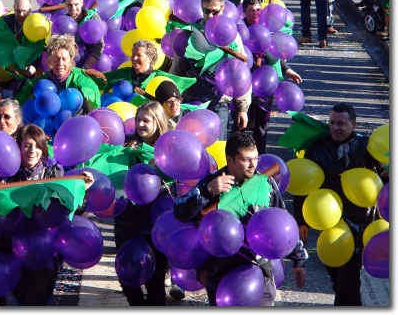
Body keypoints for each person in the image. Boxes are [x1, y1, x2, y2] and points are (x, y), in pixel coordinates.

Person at [174, 132, 307, 306]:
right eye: (246, 160)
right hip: (221, 270)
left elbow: (282, 222)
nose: (253, 165)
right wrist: (207, 192)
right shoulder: (213, 183)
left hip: (259, 269)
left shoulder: (265, 183)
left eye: (255, 158)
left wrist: (299, 259)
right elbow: (180, 213)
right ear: (230, 160)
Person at [292, 103, 388, 306]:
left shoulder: (367, 147)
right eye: (332, 123)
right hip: (329, 222)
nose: (335, 128)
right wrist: (301, 221)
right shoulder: (317, 150)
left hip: (361, 222)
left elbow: (384, 184)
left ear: (353, 124)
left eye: (341, 124)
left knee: (349, 278)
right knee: (337, 276)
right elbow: (304, 186)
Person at [0, 124, 94, 306]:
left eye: (37, 146)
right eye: (27, 145)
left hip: (43, 255)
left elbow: (71, 210)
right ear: (18, 147)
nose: (32, 151)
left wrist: (82, 190)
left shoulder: (54, 174)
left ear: (43, 149)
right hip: (10, 255)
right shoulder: (6, 176)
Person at [169, 0, 252, 141]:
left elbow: (240, 75)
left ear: (223, 9)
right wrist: (171, 98)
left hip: (218, 103)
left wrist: (242, 108)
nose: (210, 16)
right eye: (206, 11)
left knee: (216, 149)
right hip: (191, 100)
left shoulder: (232, 35)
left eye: (215, 11)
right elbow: (176, 70)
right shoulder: (190, 34)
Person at [115, 101, 170, 306]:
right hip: (127, 222)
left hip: (155, 223)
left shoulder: (167, 150)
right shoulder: (128, 147)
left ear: (158, 122)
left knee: (154, 280)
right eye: (138, 119)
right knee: (127, 276)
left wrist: (163, 168)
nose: (140, 124)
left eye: (146, 120)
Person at [240, 0, 302, 155]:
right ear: (244, 12)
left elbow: (276, 53)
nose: (255, 13)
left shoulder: (268, 27)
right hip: (243, 83)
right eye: (251, 10)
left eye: (258, 10)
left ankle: (259, 158)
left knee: (262, 124)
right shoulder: (240, 30)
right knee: (241, 123)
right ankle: (238, 157)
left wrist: (288, 71)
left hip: (266, 83)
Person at [15, 34, 104, 113]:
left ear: (70, 61)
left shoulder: (83, 83)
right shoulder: (37, 85)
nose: (60, 63)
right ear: (50, 61)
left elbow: (94, 113)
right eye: (56, 59)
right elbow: (18, 109)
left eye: (64, 59)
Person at [93, 39, 196, 97]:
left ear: (150, 58)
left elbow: (190, 85)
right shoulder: (123, 73)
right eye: (133, 54)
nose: (134, 58)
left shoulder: (160, 77)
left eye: (139, 55)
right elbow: (97, 80)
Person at [0, 0, 38, 75]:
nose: (21, 14)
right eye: (18, 11)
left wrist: (34, 65)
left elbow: (39, 48)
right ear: (14, 8)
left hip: (28, 68)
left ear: (30, 8)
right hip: (6, 67)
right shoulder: (5, 22)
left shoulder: (36, 24)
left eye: (24, 11)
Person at [65, 0, 104, 69]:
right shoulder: (64, 21)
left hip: (91, 64)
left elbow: (98, 46)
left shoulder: (92, 18)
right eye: (70, 5)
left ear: (82, 3)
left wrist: (85, 68)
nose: (73, 9)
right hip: (70, 65)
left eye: (76, 4)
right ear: (66, 5)